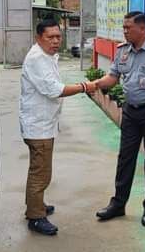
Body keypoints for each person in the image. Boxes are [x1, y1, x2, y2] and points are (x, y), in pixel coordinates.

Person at [93, 11, 145, 227]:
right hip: (131, 111)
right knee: (125, 158)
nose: (124, 31)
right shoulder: (123, 51)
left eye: (128, 27)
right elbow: (112, 78)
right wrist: (93, 85)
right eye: (123, 27)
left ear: (142, 28)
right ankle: (118, 204)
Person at [20, 18, 95, 236]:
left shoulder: (47, 55)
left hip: (44, 123)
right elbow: (54, 90)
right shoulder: (37, 59)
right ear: (38, 38)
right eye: (50, 37)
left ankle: (36, 205)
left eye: (58, 37)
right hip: (38, 126)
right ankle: (35, 217)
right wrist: (84, 86)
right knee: (40, 173)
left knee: (40, 170)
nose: (55, 41)